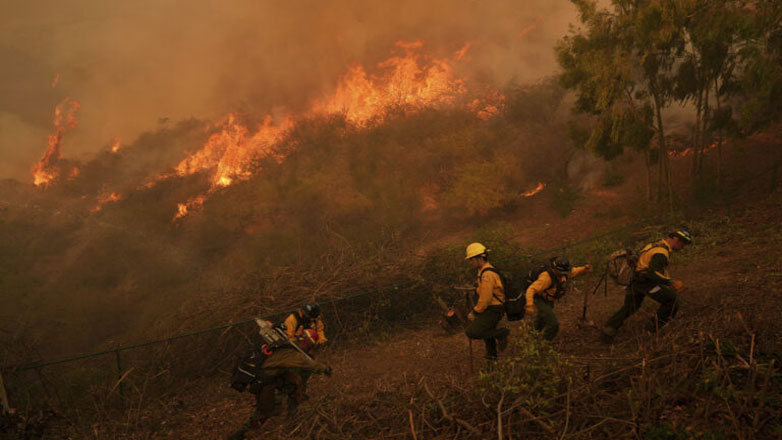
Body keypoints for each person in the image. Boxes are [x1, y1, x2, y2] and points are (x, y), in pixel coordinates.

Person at [228, 329, 332, 440]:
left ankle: (290, 415)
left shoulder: (286, 347)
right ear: (304, 343)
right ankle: (240, 434)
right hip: (264, 382)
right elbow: (304, 362)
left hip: (273, 376)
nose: (308, 349)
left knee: (295, 382)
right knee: (265, 411)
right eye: (309, 346)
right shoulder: (290, 353)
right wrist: (324, 369)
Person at [600, 228, 693, 344]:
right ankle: (653, 329)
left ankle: (608, 330)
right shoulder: (661, 253)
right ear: (677, 240)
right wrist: (671, 282)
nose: (682, 247)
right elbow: (652, 273)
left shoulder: (655, 244)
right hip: (645, 282)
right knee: (671, 299)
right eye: (683, 243)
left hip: (634, 280)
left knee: (629, 307)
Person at [525, 257, 592, 340]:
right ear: (555, 269)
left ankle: (531, 337)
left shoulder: (565, 273)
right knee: (553, 324)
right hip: (540, 299)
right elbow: (531, 289)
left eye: (565, 272)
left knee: (542, 319)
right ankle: (544, 343)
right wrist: (529, 305)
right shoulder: (546, 278)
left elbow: (575, 271)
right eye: (561, 272)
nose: (563, 274)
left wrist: (585, 268)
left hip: (550, 300)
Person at [464, 242, 510, 361]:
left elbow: (485, 299)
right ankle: (492, 357)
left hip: (493, 309)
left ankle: (501, 333)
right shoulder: (484, 270)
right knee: (487, 333)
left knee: (472, 332)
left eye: (471, 259)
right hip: (493, 307)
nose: (470, 262)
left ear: (480, 258)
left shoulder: (487, 274)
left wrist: (475, 312)